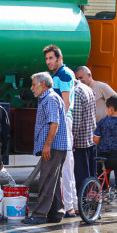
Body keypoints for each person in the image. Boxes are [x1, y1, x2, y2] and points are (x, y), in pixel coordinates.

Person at [23, 72, 70, 225]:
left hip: (54, 147)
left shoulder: (50, 99)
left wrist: (47, 145)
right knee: (54, 180)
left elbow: (54, 123)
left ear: (43, 85)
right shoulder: (49, 98)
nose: (32, 88)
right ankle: (56, 213)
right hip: (56, 146)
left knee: (46, 179)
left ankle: (39, 215)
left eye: (34, 85)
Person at [43, 44, 78, 217]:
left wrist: (57, 125)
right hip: (63, 122)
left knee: (65, 166)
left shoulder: (63, 74)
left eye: (51, 58)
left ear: (59, 58)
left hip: (63, 123)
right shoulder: (58, 74)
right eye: (47, 59)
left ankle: (70, 206)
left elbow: (66, 103)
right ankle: (73, 205)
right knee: (67, 165)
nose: (48, 62)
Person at [93, 94, 117, 222]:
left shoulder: (103, 122)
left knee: (100, 182)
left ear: (110, 109)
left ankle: (97, 211)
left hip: (104, 157)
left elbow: (96, 140)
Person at [72, 79, 97, 194]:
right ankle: (92, 203)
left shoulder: (76, 92)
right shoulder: (87, 89)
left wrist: (72, 139)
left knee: (81, 177)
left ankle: (83, 203)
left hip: (79, 142)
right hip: (90, 138)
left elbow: (76, 120)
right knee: (91, 175)